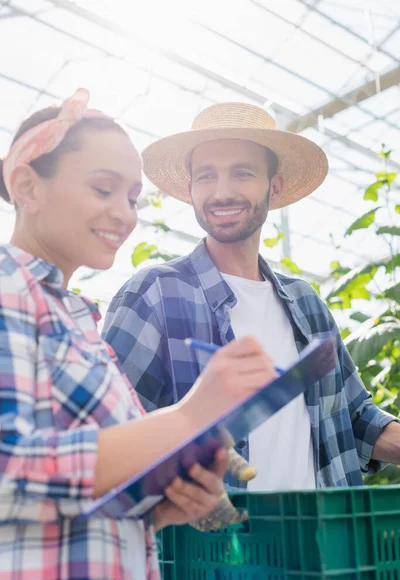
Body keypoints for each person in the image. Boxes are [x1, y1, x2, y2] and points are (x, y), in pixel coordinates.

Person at [0, 91, 277, 580]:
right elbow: (9, 473)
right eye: (104, 189)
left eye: (132, 199)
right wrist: (189, 416)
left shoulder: (78, 320)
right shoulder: (8, 291)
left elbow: (76, 486)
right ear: (26, 186)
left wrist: (159, 504)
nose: (124, 215)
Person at [103, 102, 400, 493]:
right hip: (216, 548)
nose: (221, 192)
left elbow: (355, 415)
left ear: (273, 187)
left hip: (320, 545)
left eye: (241, 173)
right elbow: (109, 438)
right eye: (206, 176)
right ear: (191, 187)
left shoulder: (306, 304)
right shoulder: (155, 293)